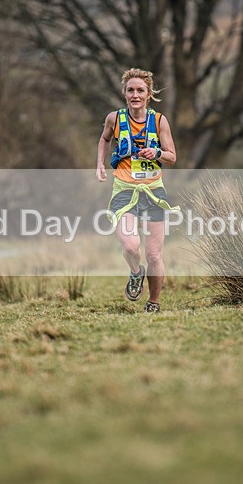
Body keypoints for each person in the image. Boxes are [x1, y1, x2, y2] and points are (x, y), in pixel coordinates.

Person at [96, 68, 177, 313]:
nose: (135, 95)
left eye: (140, 90)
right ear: (124, 93)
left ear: (149, 94)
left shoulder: (160, 121)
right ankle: (135, 272)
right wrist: (100, 163)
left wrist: (157, 153)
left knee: (154, 255)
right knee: (131, 247)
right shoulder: (115, 119)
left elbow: (172, 157)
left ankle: (153, 302)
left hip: (153, 192)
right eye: (130, 90)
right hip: (124, 189)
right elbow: (104, 139)